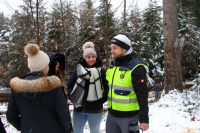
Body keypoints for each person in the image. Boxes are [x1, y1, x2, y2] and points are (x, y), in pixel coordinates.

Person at [6, 43, 71, 133]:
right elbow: (64, 116)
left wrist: (25, 126)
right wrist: (68, 130)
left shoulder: (17, 88)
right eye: (47, 64)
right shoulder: (54, 87)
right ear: (44, 66)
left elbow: (11, 116)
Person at [106, 34, 149, 133]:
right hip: (112, 116)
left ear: (124, 48)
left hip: (129, 117)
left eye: (115, 48)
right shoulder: (113, 65)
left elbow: (142, 94)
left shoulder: (136, 67)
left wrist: (144, 119)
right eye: (111, 48)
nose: (112, 51)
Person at [67, 42, 109, 133]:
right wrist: (73, 97)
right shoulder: (78, 70)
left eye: (93, 57)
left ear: (96, 57)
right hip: (79, 109)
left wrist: (100, 101)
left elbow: (107, 87)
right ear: (84, 58)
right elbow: (70, 85)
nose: (91, 59)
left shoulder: (101, 70)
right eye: (88, 57)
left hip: (95, 110)